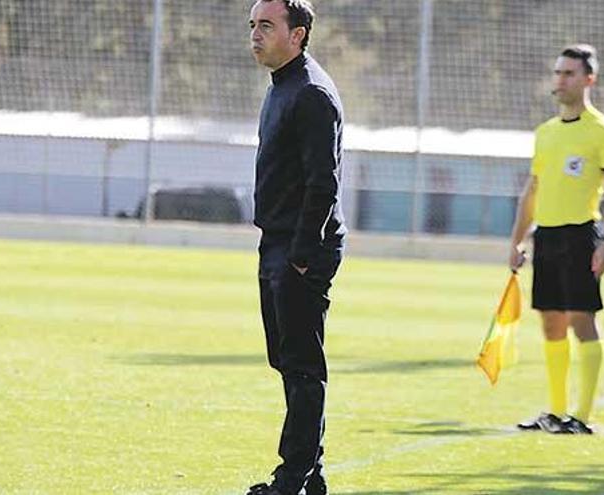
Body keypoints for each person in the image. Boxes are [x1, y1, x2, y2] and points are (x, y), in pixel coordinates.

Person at [246, 1, 346, 494]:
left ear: (299, 34)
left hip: (301, 249)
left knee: (303, 366)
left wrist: (303, 256)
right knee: (286, 361)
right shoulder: (281, 87)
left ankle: (291, 480)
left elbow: (322, 184)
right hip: (277, 245)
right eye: (253, 26)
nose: (256, 34)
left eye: (266, 25)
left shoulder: (310, 94)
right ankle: (312, 476)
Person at [509, 44, 604, 435]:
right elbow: (534, 189)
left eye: (569, 74)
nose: (560, 80)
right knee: (550, 325)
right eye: (558, 73)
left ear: (588, 79)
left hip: (582, 237)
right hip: (546, 237)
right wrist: (518, 240)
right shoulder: (545, 133)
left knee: (582, 322)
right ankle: (556, 413)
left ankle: (582, 415)